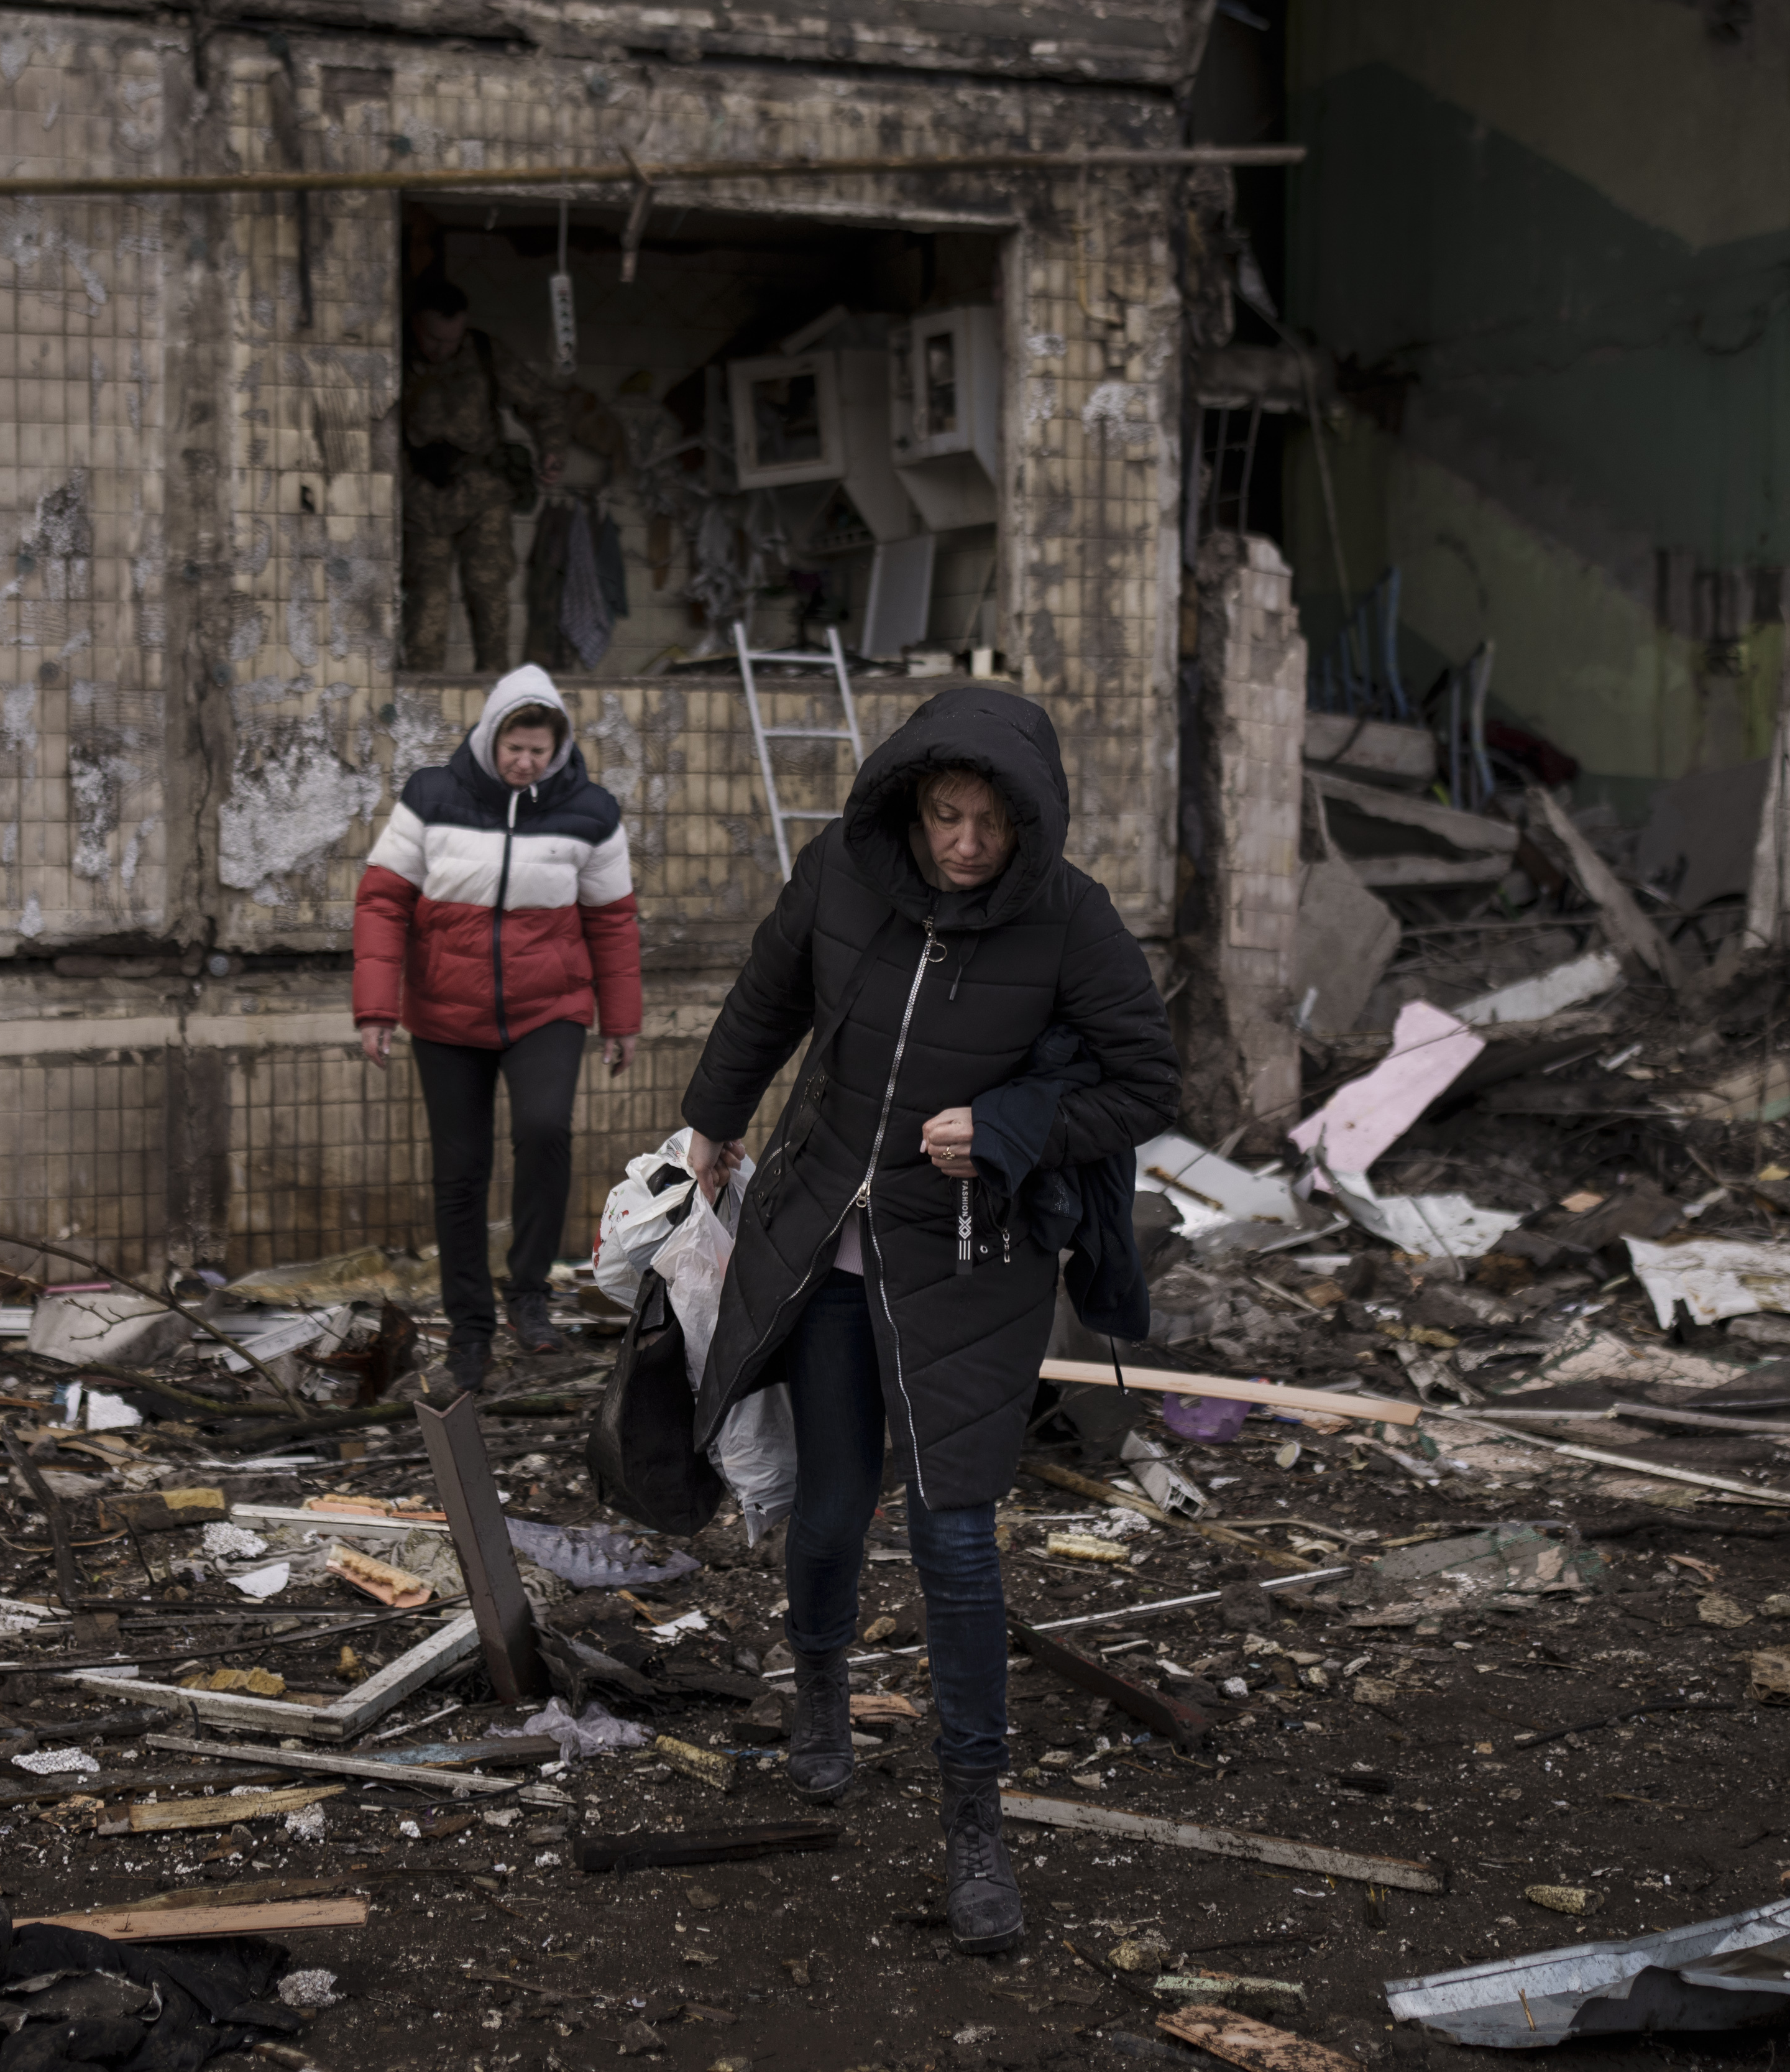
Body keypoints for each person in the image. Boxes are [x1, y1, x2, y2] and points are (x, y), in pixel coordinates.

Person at [674, 687, 1178, 1955]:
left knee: (955, 1531)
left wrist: (1010, 1127)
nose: (963, 844)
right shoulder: (846, 870)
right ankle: (823, 1692)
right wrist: (713, 1112)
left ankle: (973, 1819)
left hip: (970, 1259)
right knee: (833, 1500)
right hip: (825, 1236)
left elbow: (1144, 1080)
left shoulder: (1071, 919)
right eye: (946, 816)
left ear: (1028, 821)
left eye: (990, 823)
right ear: (910, 806)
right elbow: (768, 988)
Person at [354, 666, 642, 1392]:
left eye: (539, 750)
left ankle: (530, 1298)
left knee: (544, 1130)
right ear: (490, 738)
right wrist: (376, 1007)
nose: (526, 762)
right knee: (460, 1171)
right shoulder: (431, 797)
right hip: (445, 1014)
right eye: (515, 746)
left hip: (549, 1008)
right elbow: (382, 903)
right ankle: (470, 1332)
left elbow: (612, 921)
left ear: (558, 748)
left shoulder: (591, 811)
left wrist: (621, 1019)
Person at [400, 279, 567, 675]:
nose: (444, 350)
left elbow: (544, 403)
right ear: (416, 325)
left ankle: (496, 694)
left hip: (483, 493)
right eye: (435, 340)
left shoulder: (484, 353)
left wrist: (553, 449)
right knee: (426, 608)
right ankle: (424, 703)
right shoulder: (395, 353)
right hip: (422, 498)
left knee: (490, 596)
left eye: (452, 341)